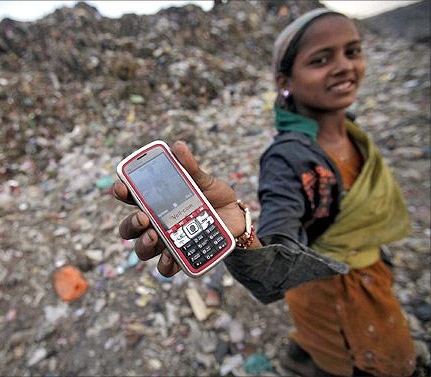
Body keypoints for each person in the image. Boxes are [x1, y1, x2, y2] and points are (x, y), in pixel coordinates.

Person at [114, 8, 416, 377]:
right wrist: (242, 236)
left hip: (370, 279)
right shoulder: (288, 159)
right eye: (321, 60)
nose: (343, 66)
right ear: (284, 80)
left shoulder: (348, 129)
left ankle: (300, 355)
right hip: (340, 304)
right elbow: (278, 245)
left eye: (352, 51)